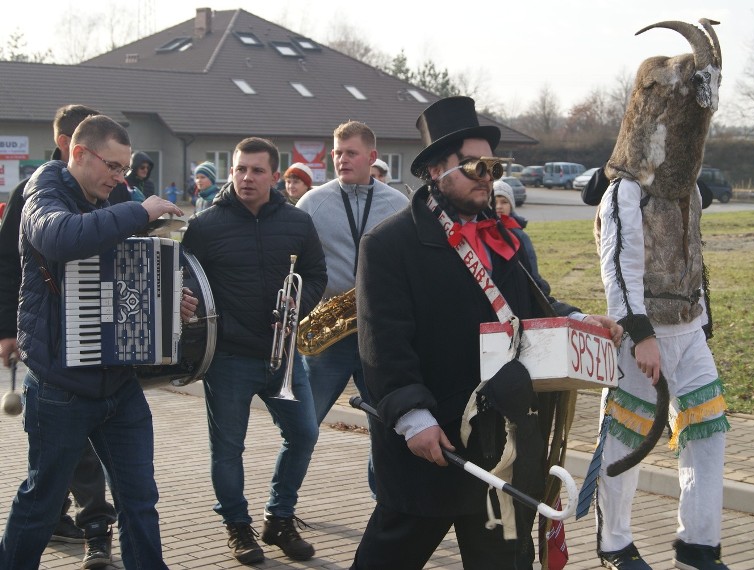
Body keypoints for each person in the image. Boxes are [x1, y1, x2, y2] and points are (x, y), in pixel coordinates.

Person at [351, 96, 622, 569]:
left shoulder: (502, 237)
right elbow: (383, 344)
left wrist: (577, 320)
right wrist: (414, 418)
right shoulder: (389, 244)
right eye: (475, 165)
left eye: (493, 166)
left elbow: (534, 304)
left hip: (499, 444)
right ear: (436, 170)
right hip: (434, 444)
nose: (487, 176)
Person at [0, 114, 191, 570]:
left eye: (125, 168)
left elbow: (132, 267)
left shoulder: (116, 195)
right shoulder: (41, 194)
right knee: (42, 502)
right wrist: (141, 209)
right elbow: (61, 238)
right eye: (113, 166)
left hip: (119, 382)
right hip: (59, 386)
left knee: (140, 499)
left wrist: (169, 298)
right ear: (78, 154)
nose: (120, 177)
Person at [593, 19, 729, 570]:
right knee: (626, 440)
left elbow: (692, 255)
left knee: (706, 434)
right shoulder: (624, 191)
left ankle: (699, 545)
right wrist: (640, 334)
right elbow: (618, 269)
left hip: (689, 331)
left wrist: (700, 321)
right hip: (639, 340)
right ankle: (615, 545)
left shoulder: (688, 190)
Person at [181, 137, 328, 565]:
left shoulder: (297, 223)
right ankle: (237, 527)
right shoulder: (206, 225)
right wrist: (185, 300)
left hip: (284, 354)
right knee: (228, 449)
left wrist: (298, 306)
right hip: (227, 357)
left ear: (274, 175)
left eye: (257, 170)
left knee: (304, 433)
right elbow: (183, 279)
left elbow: (315, 274)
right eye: (240, 169)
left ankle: (279, 518)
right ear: (231, 172)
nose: (247, 177)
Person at [0, 104, 120, 568]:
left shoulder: (115, 190)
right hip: (51, 345)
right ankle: (72, 521)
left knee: (76, 448)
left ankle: (91, 527)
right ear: (70, 146)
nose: (112, 171)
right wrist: (7, 332)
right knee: (60, 449)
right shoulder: (32, 193)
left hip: (102, 346)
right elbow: (10, 265)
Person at [295, 121, 408, 441]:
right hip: (329, 334)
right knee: (303, 429)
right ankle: (283, 494)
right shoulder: (311, 203)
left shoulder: (399, 205)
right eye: (337, 153)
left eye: (351, 153)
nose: (342, 159)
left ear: (372, 156)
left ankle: (383, 493)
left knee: (388, 429)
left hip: (380, 333)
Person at [492, 179, 551, 296]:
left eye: (504, 202)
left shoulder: (520, 236)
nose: (498, 206)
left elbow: (531, 268)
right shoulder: (484, 232)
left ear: (511, 205)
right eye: (494, 202)